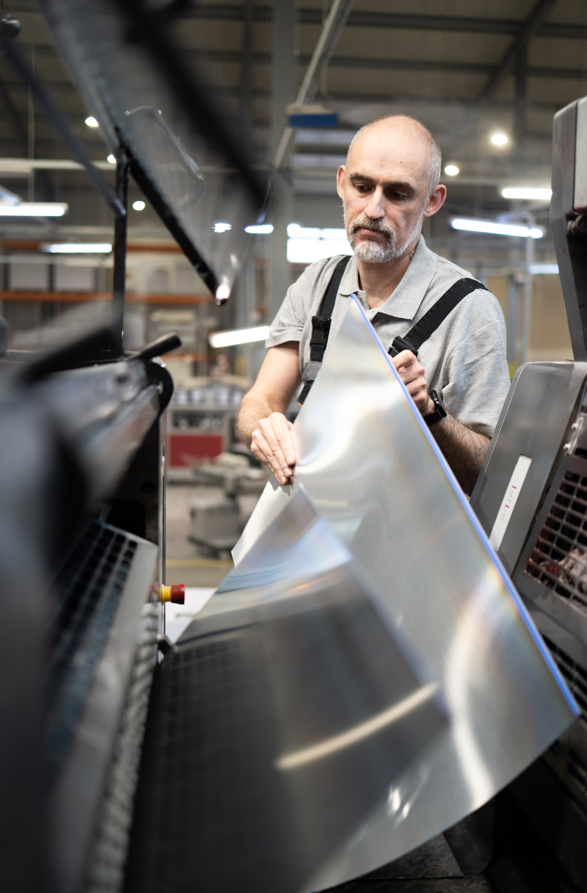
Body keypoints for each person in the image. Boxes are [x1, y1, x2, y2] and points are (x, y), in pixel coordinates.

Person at [237, 115, 510, 495]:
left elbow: (490, 473)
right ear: (341, 182)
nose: (373, 209)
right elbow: (261, 399)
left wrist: (429, 413)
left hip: (409, 529)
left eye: (397, 194)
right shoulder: (317, 284)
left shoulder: (470, 310)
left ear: (432, 201)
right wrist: (263, 427)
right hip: (312, 517)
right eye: (362, 187)